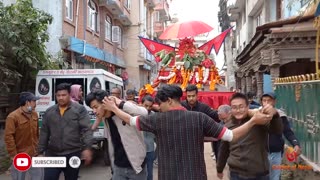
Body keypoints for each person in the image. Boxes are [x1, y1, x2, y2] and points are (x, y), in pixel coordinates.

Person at [102, 84, 278, 180]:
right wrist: (253, 120)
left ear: (170, 101)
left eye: (160, 104)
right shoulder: (199, 118)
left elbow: (131, 120)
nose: (159, 107)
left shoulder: (157, 120)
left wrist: (115, 109)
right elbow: (230, 135)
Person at [216, 93, 283, 180]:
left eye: (241, 107)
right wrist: (219, 168)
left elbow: (277, 130)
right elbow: (223, 150)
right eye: (234, 107)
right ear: (231, 109)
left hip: (259, 174)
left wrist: (275, 115)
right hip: (237, 174)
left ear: (248, 107)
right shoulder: (228, 126)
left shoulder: (258, 120)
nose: (238, 110)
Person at [85, 90, 148, 180]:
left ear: (105, 103)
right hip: (118, 167)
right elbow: (94, 126)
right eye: (92, 108)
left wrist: (119, 103)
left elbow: (144, 112)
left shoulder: (124, 109)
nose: (94, 111)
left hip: (136, 166)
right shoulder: (104, 117)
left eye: (96, 107)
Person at [38, 83, 93, 180]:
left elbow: (87, 130)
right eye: (58, 95)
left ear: (69, 95)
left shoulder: (79, 110)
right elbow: (44, 132)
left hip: (73, 153)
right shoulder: (49, 111)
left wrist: (87, 148)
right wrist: (40, 151)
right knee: (49, 177)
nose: (61, 98)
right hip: (53, 154)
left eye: (63, 95)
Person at [261, 92, 301, 180]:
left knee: (275, 177)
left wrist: (296, 144)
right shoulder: (256, 115)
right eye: (264, 100)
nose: (267, 103)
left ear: (274, 102)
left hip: (276, 153)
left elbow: (288, 132)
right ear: (261, 102)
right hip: (260, 153)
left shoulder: (280, 115)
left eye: (269, 100)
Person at [4, 92, 43, 180]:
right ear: (27, 102)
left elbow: (37, 134)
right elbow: (8, 137)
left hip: (34, 154)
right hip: (20, 155)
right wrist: (13, 155)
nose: (35, 104)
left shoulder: (34, 114)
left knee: (38, 177)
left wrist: (40, 151)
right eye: (34, 101)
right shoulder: (13, 117)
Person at [181, 84, 221, 160]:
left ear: (197, 95)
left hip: (198, 140)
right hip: (183, 139)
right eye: (189, 96)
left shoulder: (203, 107)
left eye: (193, 96)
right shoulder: (181, 106)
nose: (191, 98)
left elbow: (216, 116)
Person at [141, 95, 156, 180]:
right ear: (141, 104)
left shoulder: (154, 116)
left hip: (150, 149)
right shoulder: (136, 115)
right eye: (146, 105)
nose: (148, 108)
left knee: (149, 172)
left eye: (150, 106)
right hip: (138, 149)